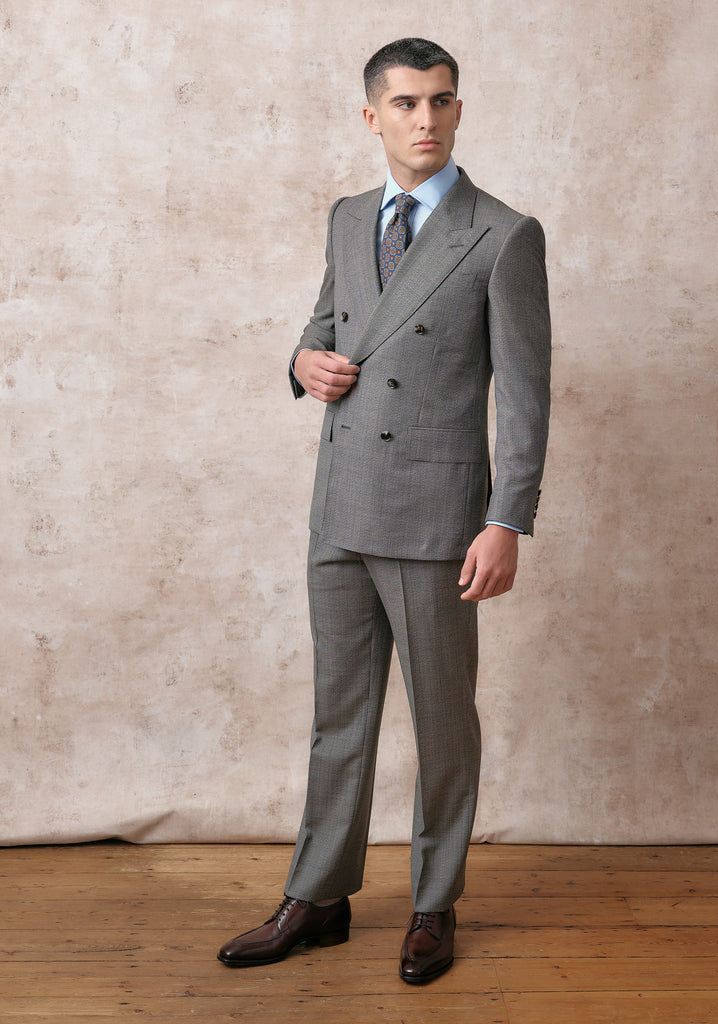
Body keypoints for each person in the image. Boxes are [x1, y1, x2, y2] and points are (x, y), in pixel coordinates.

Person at [218, 37, 550, 983]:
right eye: (405, 104)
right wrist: (301, 361)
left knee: (442, 722)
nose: (425, 119)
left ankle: (433, 903)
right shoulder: (348, 216)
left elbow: (526, 395)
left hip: (436, 516)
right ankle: (317, 895)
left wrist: (506, 520)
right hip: (340, 505)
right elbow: (325, 323)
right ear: (373, 117)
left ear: (458, 109)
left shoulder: (503, 233)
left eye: (440, 100)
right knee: (340, 716)